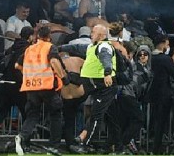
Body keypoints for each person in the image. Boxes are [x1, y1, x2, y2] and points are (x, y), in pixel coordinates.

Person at [61, 24, 119, 154]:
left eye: (93, 32)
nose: (91, 34)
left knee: (96, 116)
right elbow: (75, 47)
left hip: (105, 87)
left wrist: (107, 73)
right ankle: (118, 145)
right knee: (112, 117)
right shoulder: (92, 47)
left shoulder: (104, 46)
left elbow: (106, 59)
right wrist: (58, 48)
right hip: (94, 85)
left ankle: (85, 143)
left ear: (102, 35)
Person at [0, 26, 34, 153]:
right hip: (17, 86)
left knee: (0, 114)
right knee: (27, 115)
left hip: (3, 83)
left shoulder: (11, 48)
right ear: (30, 36)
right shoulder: (28, 49)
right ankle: (26, 143)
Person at [15, 26, 66, 155]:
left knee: (32, 115)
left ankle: (21, 136)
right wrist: (63, 77)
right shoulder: (49, 47)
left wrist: (30, 75)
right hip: (46, 86)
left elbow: (17, 65)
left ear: (37, 36)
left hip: (31, 87)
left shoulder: (29, 49)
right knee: (55, 114)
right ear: (49, 36)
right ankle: (53, 146)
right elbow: (54, 62)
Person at [149, 34, 174, 155]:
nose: (168, 47)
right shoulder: (165, 59)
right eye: (167, 44)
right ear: (162, 44)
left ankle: (152, 145)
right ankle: (158, 148)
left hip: (152, 94)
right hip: (164, 94)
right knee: (162, 122)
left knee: (154, 121)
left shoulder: (150, 57)